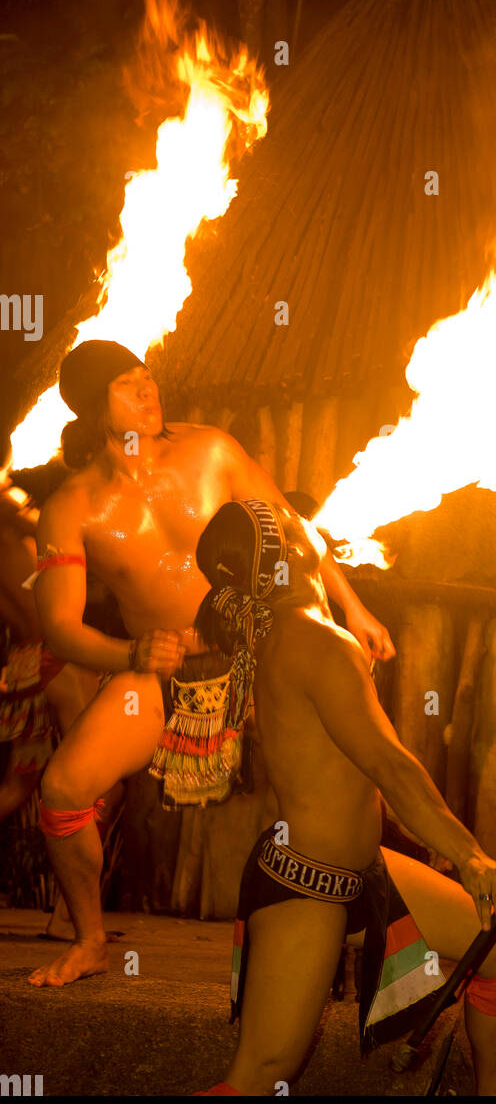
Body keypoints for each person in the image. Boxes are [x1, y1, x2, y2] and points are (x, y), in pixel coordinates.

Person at [28, 340, 394, 988]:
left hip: (260, 648)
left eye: (147, 378)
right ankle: (89, 940)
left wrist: (353, 610)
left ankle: (373, 943)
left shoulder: (210, 451)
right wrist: (131, 654)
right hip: (163, 673)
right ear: (92, 410)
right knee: (61, 792)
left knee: (339, 787)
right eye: (126, 386)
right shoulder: (72, 507)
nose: (147, 391)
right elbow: (58, 626)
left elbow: (292, 525)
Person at [191, 499, 496, 1096]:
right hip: (307, 882)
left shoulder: (294, 631)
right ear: (289, 555)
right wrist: (469, 854)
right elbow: (390, 766)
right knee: (259, 1077)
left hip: (362, 869)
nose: (309, 521)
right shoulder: (315, 640)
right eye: (295, 522)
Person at [0, 434, 104, 938]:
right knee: (107, 779)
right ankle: (71, 917)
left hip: (25, 659)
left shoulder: (11, 509)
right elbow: (67, 535)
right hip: (51, 652)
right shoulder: (10, 510)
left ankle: (70, 915)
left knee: (19, 786)